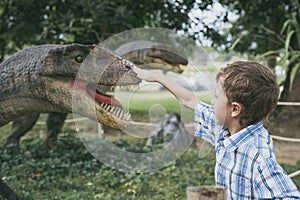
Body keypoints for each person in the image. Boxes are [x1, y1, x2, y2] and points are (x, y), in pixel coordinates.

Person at [133, 61, 300, 199]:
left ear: (234, 109)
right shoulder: (224, 126)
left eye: (216, 96)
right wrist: (157, 77)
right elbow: (190, 100)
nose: (212, 101)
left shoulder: (259, 157)